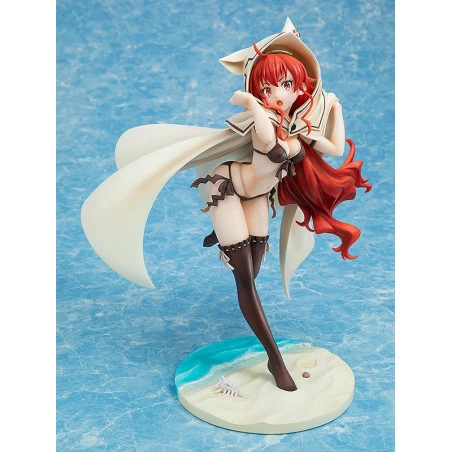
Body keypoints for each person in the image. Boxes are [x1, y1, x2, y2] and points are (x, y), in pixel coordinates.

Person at [81, 18, 371, 392]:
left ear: (300, 87)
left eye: (285, 85)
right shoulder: (261, 119)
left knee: (255, 267)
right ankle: (275, 359)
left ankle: (223, 239)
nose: (277, 94)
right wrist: (252, 103)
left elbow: (333, 148)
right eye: (267, 87)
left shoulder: (295, 129)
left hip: (256, 197)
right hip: (227, 187)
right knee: (244, 279)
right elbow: (267, 141)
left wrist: (334, 110)